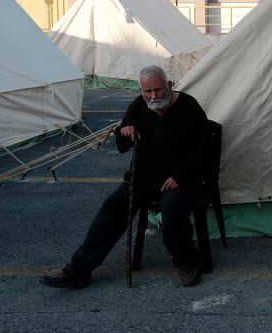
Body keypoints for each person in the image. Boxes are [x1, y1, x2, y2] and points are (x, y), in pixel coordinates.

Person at [39, 65, 210, 288]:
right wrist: (125, 132)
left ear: (169, 85)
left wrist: (181, 175)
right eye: (147, 91)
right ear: (141, 91)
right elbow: (121, 145)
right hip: (142, 180)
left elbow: (204, 149)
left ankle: (187, 260)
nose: (153, 96)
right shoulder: (139, 106)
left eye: (158, 90)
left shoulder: (189, 107)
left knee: (172, 209)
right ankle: (79, 269)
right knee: (111, 210)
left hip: (179, 181)